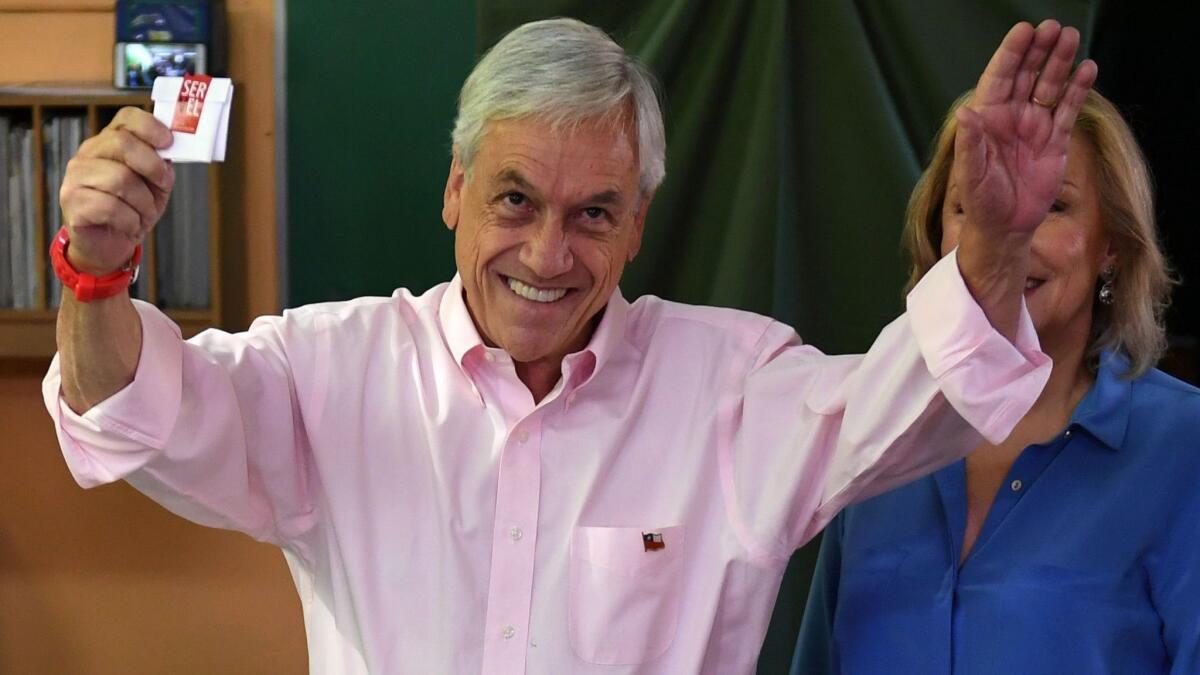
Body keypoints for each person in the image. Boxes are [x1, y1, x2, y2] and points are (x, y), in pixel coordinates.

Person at [45, 17, 1092, 674]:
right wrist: (95, 275)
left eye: (594, 213)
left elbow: (919, 407)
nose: (547, 253)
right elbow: (139, 414)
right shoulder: (332, 370)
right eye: (513, 199)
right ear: (454, 191)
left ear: (638, 227)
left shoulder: (733, 386)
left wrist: (992, 247)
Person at [791, 88, 1199, 675]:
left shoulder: (1185, 446)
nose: (1008, 233)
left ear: (1112, 244)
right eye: (974, 207)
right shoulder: (879, 430)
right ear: (938, 237)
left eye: (1052, 205)